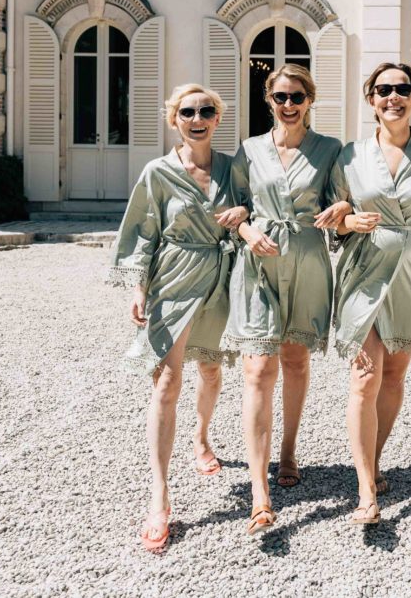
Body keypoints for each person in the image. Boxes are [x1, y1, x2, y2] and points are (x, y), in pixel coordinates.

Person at [108, 84, 246, 552]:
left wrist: (245, 211)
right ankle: (159, 494)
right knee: (166, 382)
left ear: (217, 118)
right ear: (175, 119)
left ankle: (202, 438)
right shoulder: (158, 172)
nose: (198, 117)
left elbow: (256, 210)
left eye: (207, 110)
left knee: (209, 369)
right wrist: (139, 287)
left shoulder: (232, 167)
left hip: (221, 278)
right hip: (174, 276)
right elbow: (142, 232)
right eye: (188, 111)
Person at [223, 64, 349, 535]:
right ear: (268, 100)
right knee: (258, 368)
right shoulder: (249, 150)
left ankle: (289, 449)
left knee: (295, 360)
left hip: (309, 262)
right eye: (280, 97)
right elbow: (234, 206)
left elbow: (342, 205)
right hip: (258, 266)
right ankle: (259, 491)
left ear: (310, 99)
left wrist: (342, 210)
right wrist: (247, 229)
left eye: (297, 96)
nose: (289, 104)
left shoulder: (330, 150)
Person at [330, 63, 411, 525]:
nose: (392, 97)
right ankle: (365, 487)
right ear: (371, 100)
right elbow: (335, 218)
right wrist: (349, 221)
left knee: (394, 376)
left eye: (401, 89)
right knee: (365, 376)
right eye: (383, 90)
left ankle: (375, 457)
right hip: (364, 270)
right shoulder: (350, 156)